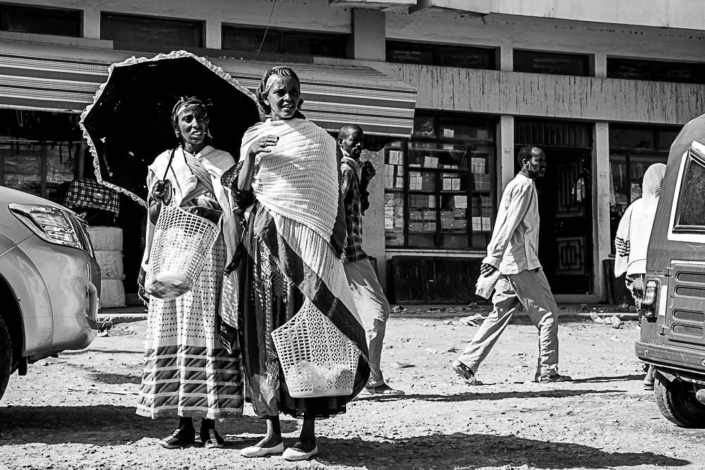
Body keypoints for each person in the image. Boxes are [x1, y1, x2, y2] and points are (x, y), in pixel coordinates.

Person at [223, 66, 370, 461]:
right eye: (278, 93)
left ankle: (307, 432)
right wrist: (250, 155)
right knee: (263, 331)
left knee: (305, 332)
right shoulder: (252, 136)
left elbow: (328, 199)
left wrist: (323, 246)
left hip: (304, 250)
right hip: (262, 246)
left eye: (292, 92)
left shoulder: (320, 140)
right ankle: (271, 431)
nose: (285, 98)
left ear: (300, 98)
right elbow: (242, 192)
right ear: (264, 98)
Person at [136, 97, 244, 449]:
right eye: (187, 119)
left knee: (210, 333)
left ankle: (211, 423)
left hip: (211, 257)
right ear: (176, 126)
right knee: (179, 334)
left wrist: (206, 203)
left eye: (199, 117)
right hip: (173, 255)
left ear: (207, 121)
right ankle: (183, 424)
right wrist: (155, 205)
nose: (194, 124)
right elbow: (154, 218)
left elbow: (233, 210)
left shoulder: (223, 161)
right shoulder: (163, 163)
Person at [452, 145, 572, 385]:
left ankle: (467, 362)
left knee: (498, 314)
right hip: (522, 263)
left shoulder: (517, 185)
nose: (543, 165)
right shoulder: (524, 187)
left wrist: (496, 259)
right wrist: (493, 258)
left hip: (510, 263)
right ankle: (548, 370)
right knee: (548, 315)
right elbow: (508, 225)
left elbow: (504, 224)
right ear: (525, 162)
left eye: (543, 160)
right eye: (538, 161)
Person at [338, 124, 404, 396]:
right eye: (353, 140)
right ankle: (370, 380)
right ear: (341, 141)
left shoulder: (353, 169)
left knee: (362, 316)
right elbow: (337, 207)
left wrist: (364, 183)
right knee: (377, 313)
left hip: (350, 252)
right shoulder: (344, 169)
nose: (358, 145)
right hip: (348, 253)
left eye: (361, 141)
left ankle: (361, 376)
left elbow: (356, 207)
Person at [615, 163, 666, 391]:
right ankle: (652, 371)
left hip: (636, 271)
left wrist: (625, 264)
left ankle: (648, 368)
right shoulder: (666, 208)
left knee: (643, 318)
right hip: (658, 272)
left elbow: (621, 241)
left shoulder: (634, 207)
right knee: (659, 319)